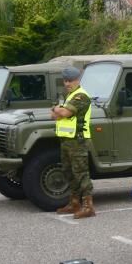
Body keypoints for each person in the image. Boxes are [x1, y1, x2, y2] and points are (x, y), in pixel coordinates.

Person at [50, 66, 95, 219]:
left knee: (81, 173)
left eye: (71, 80)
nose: (67, 83)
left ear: (77, 80)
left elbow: (63, 113)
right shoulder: (68, 96)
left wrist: (57, 109)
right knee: (69, 173)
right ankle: (74, 203)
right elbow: (54, 116)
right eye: (65, 81)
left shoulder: (81, 96)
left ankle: (88, 206)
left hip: (78, 140)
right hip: (66, 141)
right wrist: (58, 110)